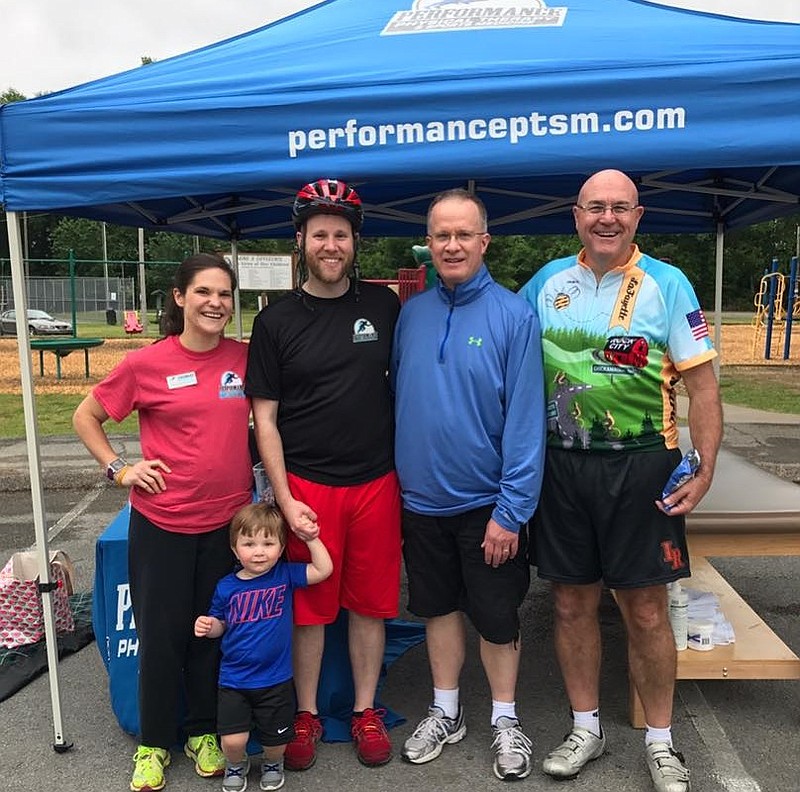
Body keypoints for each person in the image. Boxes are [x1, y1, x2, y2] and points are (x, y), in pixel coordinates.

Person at [518, 169, 722, 792]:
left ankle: (661, 743)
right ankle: (587, 727)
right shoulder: (545, 282)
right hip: (562, 466)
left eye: (619, 208)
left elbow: (704, 388)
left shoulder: (668, 281)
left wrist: (706, 466)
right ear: (575, 215)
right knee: (571, 602)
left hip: (643, 468)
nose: (606, 218)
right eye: (594, 208)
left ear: (638, 216)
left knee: (646, 610)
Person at [73, 253, 252, 792]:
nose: (215, 303)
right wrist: (119, 468)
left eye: (224, 294)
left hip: (227, 526)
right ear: (179, 297)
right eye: (204, 292)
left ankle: (201, 732)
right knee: (161, 637)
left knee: (208, 633)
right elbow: (87, 415)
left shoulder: (245, 358)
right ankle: (153, 744)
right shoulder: (147, 364)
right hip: (164, 524)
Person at [245, 178, 402, 770]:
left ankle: (365, 710)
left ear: (355, 242)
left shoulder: (385, 305)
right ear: (300, 241)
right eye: (319, 235)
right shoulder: (275, 321)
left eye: (341, 234)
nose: (330, 245)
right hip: (306, 486)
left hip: (376, 481)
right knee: (309, 608)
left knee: (370, 605)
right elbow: (265, 420)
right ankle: (306, 713)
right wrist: (284, 501)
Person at [391, 188, 547, 781]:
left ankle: (505, 720)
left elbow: (527, 423)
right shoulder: (412, 314)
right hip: (421, 503)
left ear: (484, 241)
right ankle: (446, 710)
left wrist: (511, 512)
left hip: (488, 507)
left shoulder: (514, 316)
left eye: (463, 235)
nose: (451, 245)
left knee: (498, 620)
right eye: (440, 236)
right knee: (436, 611)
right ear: (427, 245)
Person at [194, 503, 333, 792]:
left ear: (281, 547)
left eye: (268, 543)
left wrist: (310, 538)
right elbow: (221, 624)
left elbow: (323, 569)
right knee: (232, 741)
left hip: (276, 679)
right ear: (234, 549)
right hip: (234, 680)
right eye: (249, 543)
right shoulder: (226, 587)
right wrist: (209, 627)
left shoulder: (284, 576)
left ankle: (273, 764)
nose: (259, 551)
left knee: (277, 742)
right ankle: (236, 763)